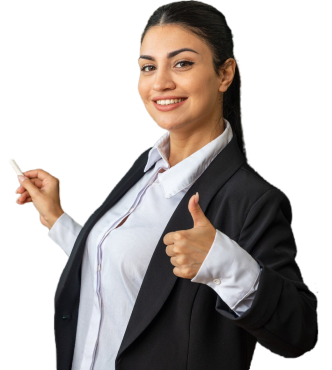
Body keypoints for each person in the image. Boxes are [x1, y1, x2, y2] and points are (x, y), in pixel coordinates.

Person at [13, 1, 318, 369]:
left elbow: (299, 332)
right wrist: (57, 219)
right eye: (148, 67)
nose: (160, 82)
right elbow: (131, 268)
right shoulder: (146, 165)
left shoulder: (252, 200)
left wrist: (223, 262)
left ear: (226, 74)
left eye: (183, 63)